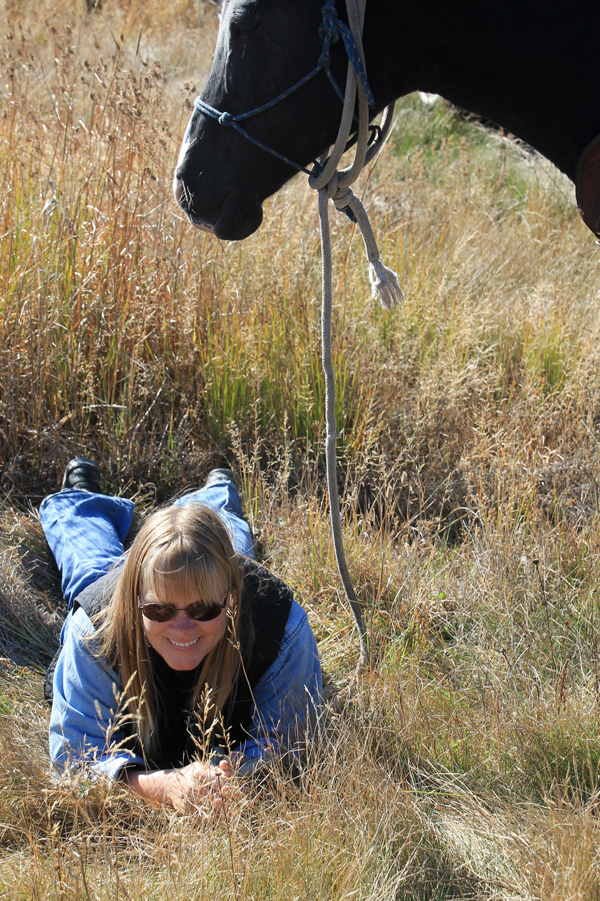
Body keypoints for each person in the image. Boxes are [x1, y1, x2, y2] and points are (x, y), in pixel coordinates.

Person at [41, 458, 322, 812]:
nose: (182, 629)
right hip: (110, 584)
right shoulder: (93, 634)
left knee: (224, 542)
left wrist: (228, 780)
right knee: (90, 564)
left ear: (232, 600)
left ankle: (218, 491)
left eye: (204, 609)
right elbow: (73, 764)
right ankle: (79, 501)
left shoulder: (280, 627)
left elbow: (291, 738)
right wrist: (162, 785)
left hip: (218, 572)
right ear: (135, 600)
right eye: (160, 611)